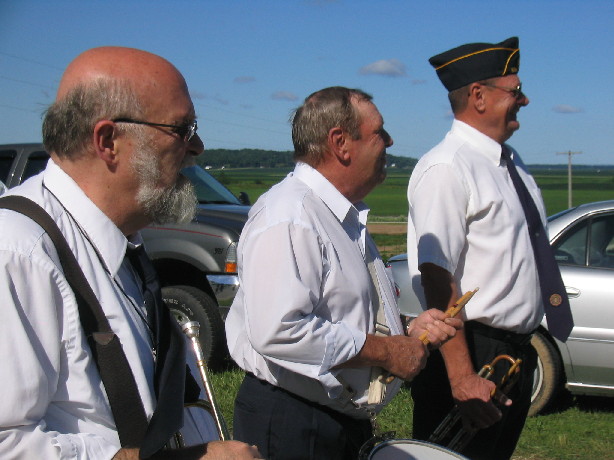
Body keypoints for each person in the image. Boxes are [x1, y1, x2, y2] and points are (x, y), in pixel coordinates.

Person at [0, 47, 261, 460]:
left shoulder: (120, 243)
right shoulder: (16, 251)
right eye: (182, 129)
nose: (198, 147)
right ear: (108, 142)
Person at [225, 86, 463, 460]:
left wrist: (406, 329)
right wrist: (386, 350)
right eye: (379, 132)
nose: (389, 141)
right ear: (340, 142)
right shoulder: (291, 216)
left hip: (328, 418)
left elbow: (340, 312)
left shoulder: (338, 215)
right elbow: (280, 331)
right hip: (294, 421)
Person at [407, 37, 548, 460]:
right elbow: (436, 275)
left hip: (510, 353)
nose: (524, 99)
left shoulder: (509, 160)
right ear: (479, 96)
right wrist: (462, 376)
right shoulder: (448, 167)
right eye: (515, 91)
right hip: (470, 352)